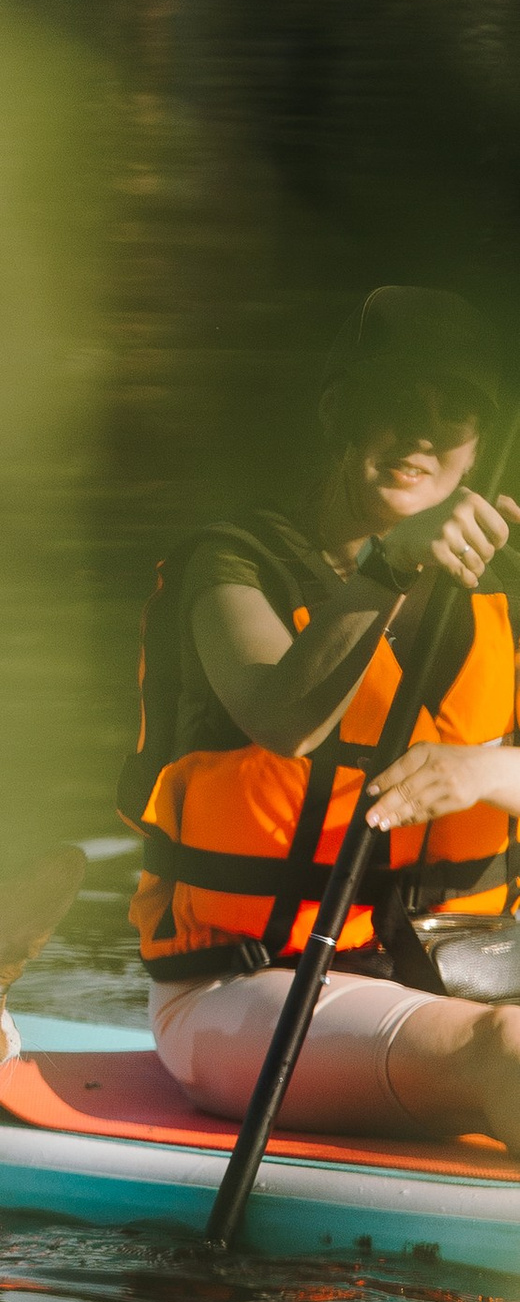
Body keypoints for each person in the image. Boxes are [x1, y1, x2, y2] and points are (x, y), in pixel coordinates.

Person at [125, 287, 520, 1145]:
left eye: (454, 412)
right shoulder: (234, 564)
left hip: (463, 978)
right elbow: (283, 717)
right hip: (247, 991)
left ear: (480, 445)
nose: (422, 433)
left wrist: (489, 771)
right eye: (394, 403)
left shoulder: (509, 593)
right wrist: (388, 570)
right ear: (340, 410)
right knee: (511, 1050)